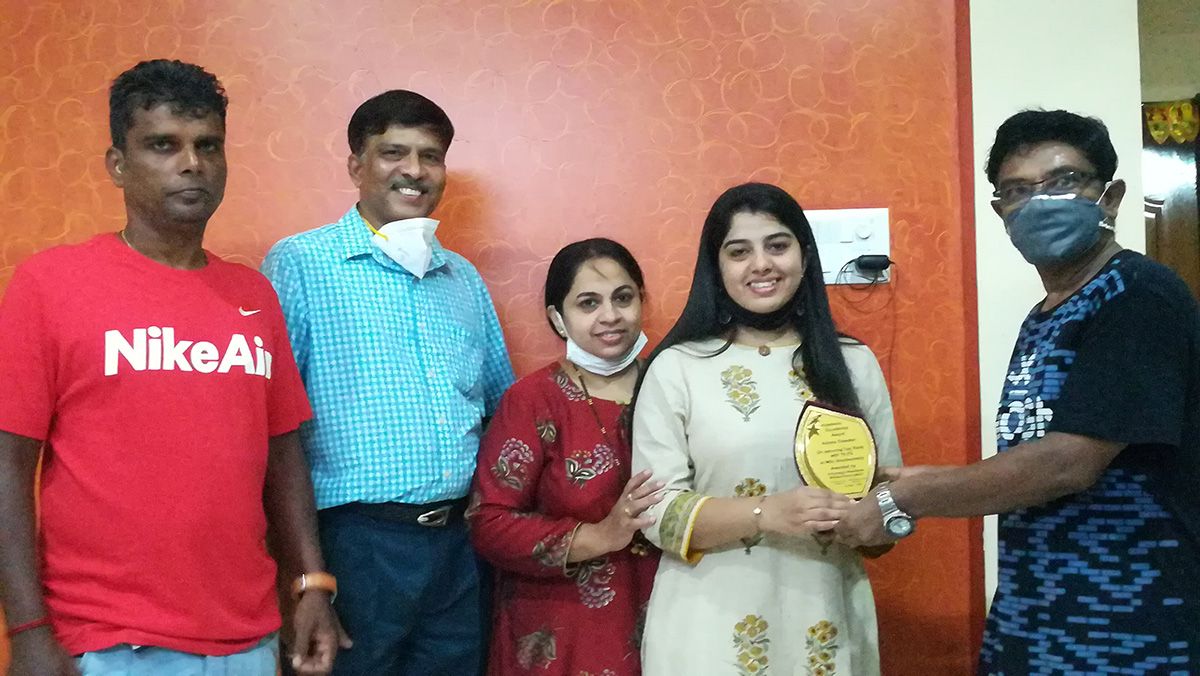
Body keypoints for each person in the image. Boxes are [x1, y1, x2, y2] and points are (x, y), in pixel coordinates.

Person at [0, 60, 341, 676]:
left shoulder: (253, 294)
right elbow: (8, 465)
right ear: (118, 164)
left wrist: (311, 581)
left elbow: (282, 449)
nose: (192, 163)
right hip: (107, 641)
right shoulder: (49, 285)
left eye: (207, 145)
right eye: (164, 145)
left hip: (249, 638)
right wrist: (26, 630)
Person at [834, 110, 1200, 674]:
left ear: (1110, 197)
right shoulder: (1046, 315)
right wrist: (930, 480)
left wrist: (906, 499)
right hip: (1039, 618)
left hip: (1129, 629)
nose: (1042, 201)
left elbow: (1067, 464)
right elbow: (1039, 458)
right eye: (1018, 190)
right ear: (1001, 211)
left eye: (1064, 181)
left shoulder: (1137, 297)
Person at [261, 89, 515, 675]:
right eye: (393, 152)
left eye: (431, 156)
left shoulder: (462, 279)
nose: (414, 170)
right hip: (355, 544)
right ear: (356, 165)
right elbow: (275, 427)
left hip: (458, 545)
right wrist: (308, 578)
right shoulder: (300, 265)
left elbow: (501, 408)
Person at [631, 183, 903, 676]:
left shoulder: (853, 364)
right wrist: (766, 513)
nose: (761, 264)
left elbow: (885, 521)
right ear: (716, 267)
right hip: (706, 631)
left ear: (804, 255)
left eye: (777, 245)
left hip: (827, 621)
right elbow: (657, 516)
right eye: (739, 251)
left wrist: (874, 514)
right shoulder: (676, 368)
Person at [469, 238, 660, 676]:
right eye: (588, 303)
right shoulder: (533, 401)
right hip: (563, 632)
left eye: (623, 298)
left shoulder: (674, 385)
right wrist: (599, 536)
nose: (610, 316)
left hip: (672, 614)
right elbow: (490, 523)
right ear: (558, 318)